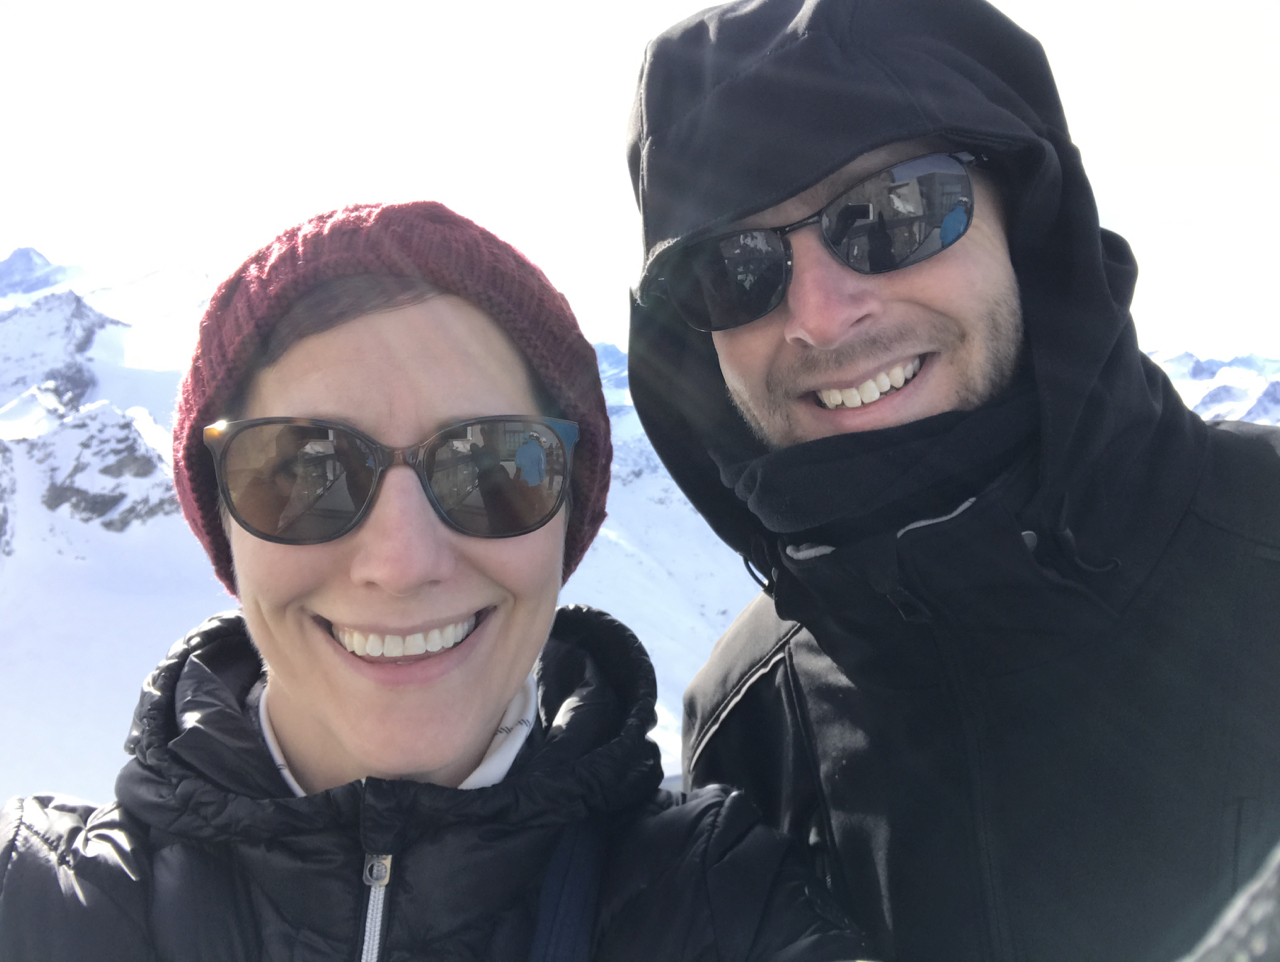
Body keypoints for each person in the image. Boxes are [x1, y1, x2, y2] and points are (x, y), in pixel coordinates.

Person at [0, 202, 873, 961]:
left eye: (491, 467)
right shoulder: (33, 901)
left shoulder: (723, 909)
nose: (402, 562)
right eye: (302, 471)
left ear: (567, 515)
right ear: (221, 520)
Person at [625, 2, 1280, 961]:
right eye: (732, 268)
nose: (821, 315)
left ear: (1027, 212)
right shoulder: (749, 721)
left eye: (892, 211)